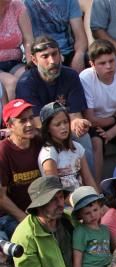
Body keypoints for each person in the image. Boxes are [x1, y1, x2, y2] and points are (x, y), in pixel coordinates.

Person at [16, 36, 93, 169]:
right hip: (41, 132)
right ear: (34, 60)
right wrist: (63, 128)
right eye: (45, 56)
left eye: (54, 54)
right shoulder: (26, 83)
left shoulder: (71, 76)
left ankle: (92, 187)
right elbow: (37, 123)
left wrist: (79, 123)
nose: (52, 61)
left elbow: (75, 115)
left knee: (83, 137)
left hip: (64, 127)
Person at [80, 39, 116, 181]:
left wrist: (110, 133)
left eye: (112, 61)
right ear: (92, 64)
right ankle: (98, 188)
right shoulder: (85, 78)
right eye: (102, 63)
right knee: (96, 142)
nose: (109, 66)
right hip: (96, 124)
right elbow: (90, 119)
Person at [0, 100, 43, 237]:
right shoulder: (3, 151)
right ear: (10, 125)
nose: (29, 124)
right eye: (22, 120)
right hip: (11, 215)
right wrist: (25, 220)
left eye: (31, 118)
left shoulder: (40, 141)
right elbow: (1, 197)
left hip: (40, 210)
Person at [37, 102, 96, 193]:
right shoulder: (48, 153)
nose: (64, 127)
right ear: (47, 128)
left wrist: (99, 200)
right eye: (58, 124)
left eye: (65, 122)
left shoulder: (77, 147)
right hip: (64, 203)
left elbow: (88, 179)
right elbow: (55, 191)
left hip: (83, 198)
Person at [70, 185, 111, 267]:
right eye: (87, 213)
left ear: (100, 208)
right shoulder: (80, 231)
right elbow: (77, 260)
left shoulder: (105, 230)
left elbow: (108, 253)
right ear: (80, 215)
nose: (93, 215)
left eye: (95, 210)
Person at [24, 0, 86, 72]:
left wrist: (79, 55)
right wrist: (31, 65)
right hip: (41, 53)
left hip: (67, 52)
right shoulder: (25, 3)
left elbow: (80, 36)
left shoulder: (70, 1)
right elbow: (28, 40)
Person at [0, 0, 33, 102]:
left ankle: (33, 116)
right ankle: (11, 118)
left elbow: (28, 40)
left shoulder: (17, 6)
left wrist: (31, 65)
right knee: (11, 83)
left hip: (15, 62)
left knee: (30, 77)